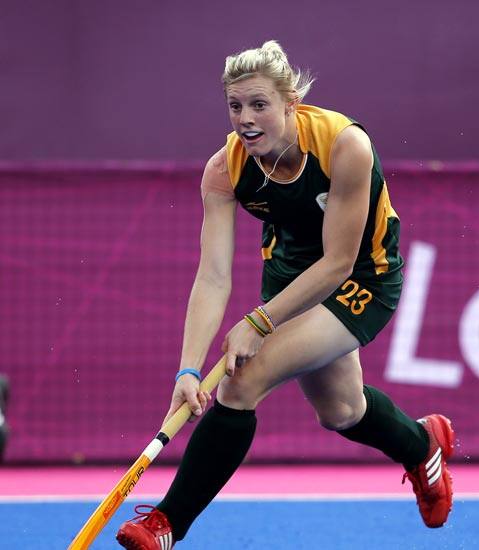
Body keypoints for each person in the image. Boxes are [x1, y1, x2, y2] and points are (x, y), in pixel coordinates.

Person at [116, 41, 454, 549]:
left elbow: (339, 262)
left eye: (259, 105)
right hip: (288, 273)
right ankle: (420, 443)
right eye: (235, 107)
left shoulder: (344, 145)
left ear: (290, 102)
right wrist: (188, 369)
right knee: (341, 411)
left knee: (239, 382)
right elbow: (212, 275)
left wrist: (258, 322)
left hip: (362, 277)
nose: (245, 119)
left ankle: (165, 523)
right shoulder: (224, 169)